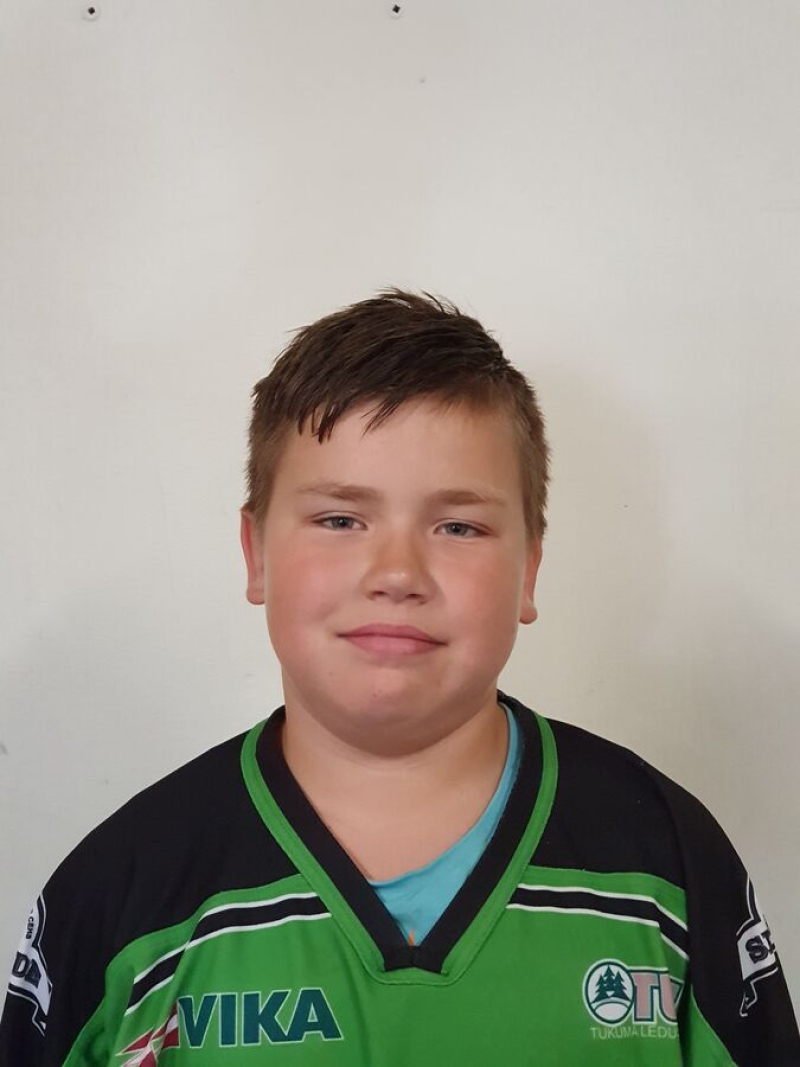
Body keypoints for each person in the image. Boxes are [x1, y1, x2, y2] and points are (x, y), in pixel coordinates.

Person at [2, 288, 798, 1066]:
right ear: (256, 554)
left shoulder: (665, 867)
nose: (396, 573)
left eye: (458, 526)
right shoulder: (124, 893)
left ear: (529, 570)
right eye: (340, 519)